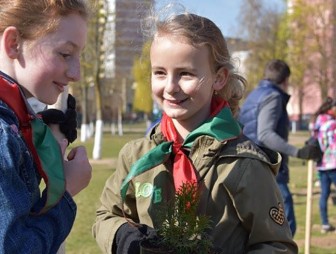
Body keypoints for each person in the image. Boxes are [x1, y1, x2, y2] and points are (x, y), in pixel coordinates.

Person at [93, 9, 298, 254]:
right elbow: (105, 214)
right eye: (159, 72)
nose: (170, 87)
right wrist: (122, 236)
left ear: (219, 78)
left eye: (185, 74)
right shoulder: (136, 156)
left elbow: (277, 245)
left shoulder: (244, 165)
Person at [0, 0, 92, 253]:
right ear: (14, 44)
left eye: (79, 56)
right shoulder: (3, 134)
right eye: (65, 54)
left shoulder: (18, 123)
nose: (76, 74)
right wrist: (67, 191)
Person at [238, 59, 322, 236]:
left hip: (250, 164)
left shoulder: (255, 94)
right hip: (266, 165)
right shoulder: (273, 96)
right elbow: (265, 134)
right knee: (285, 223)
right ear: (285, 80)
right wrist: (298, 152)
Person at [311, 99, 336, 233]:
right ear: (330, 109)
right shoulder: (332, 124)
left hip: (321, 164)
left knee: (324, 194)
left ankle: (325, 223)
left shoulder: (318, 121)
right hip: (332, 163)